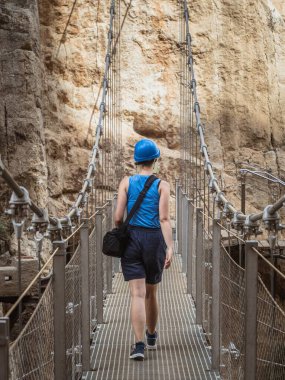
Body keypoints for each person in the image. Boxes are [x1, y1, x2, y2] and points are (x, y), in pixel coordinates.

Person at [114, 138, 173, 361]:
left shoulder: (126, 182)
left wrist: (123, 232)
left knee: (136, 294)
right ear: (155, 160)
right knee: (151, 292)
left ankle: (138, 346)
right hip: (154, 241)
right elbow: (164, 219)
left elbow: (118, 217)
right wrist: (169, 247)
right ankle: (151, 335)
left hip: (132, 239)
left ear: (136, 161)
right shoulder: (162, 185)